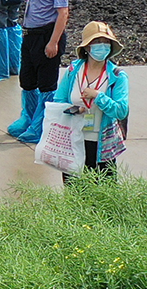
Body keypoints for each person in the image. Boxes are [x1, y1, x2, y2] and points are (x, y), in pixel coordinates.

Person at [8, 0, 70, 146]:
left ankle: (42, 123)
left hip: (47, 35)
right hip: (31, 34)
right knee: (27, 79)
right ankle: (28, 117)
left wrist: (53, 42)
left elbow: (63, 13)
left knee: (46, 83)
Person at [55, 22, 130, 182]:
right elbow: (58, 103)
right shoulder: (73, 70)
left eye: (106, 42)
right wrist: (75, 109)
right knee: (74, 195)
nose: (102, 46)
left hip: (103, 146)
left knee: (104, 195)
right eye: (97, 42)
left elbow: (121, 110)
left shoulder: (117, 76)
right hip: (74, 141)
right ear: (87, 47)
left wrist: (98, 96)